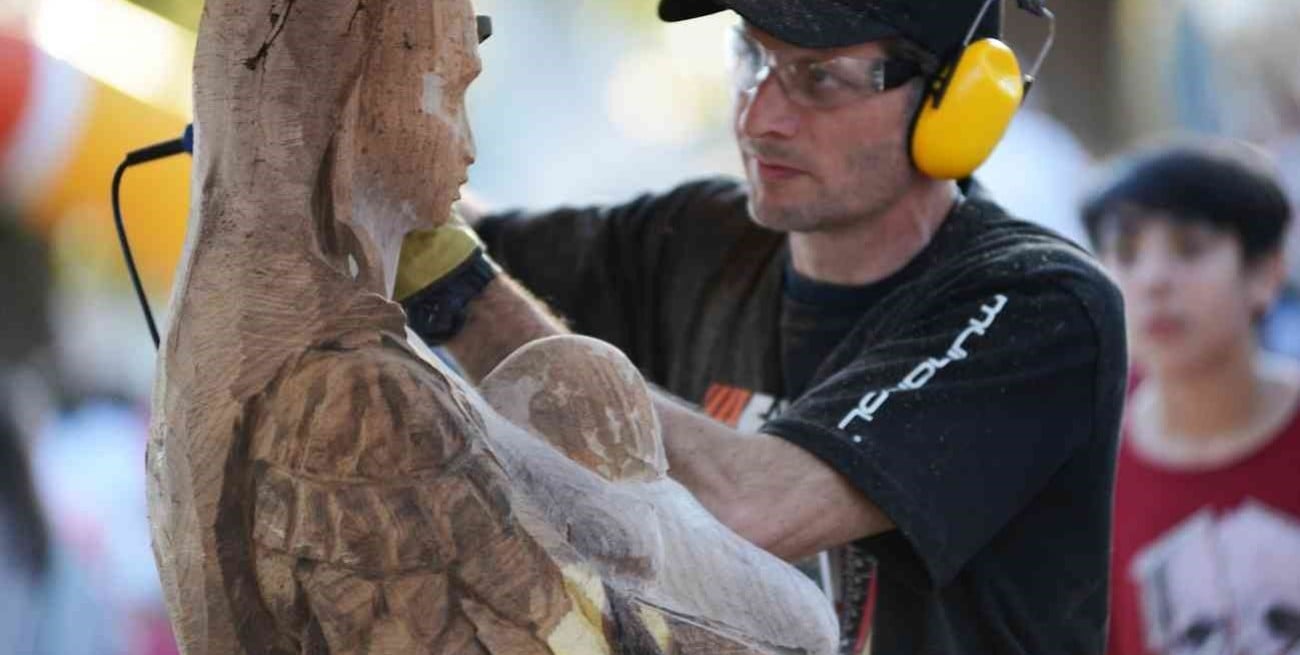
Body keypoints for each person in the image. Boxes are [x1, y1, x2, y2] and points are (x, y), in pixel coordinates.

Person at [397, 0, 1128, 653]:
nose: (757, 118)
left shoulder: (1037, 303)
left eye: (820, 78)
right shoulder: (698, 237)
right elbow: (460, 231)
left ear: (958, 100)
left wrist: (461, 293)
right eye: (751, 56)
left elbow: (753, 508)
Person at [1082, 140, 1300, 655]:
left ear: (1265, 273)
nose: (1154, 280)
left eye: (1191, 248)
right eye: (1127, 254)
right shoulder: (1081, 461)